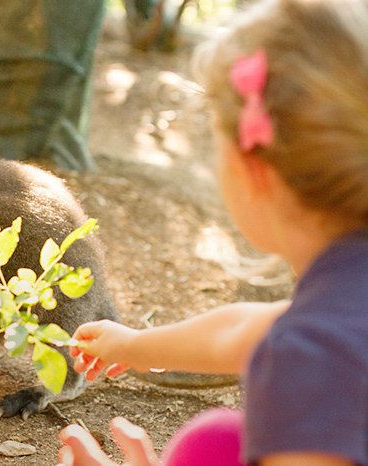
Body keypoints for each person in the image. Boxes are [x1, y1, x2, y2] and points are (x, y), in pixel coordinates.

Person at [57, 0, 368, 465]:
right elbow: (248, 329)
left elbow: (283, 339)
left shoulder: (308, 359)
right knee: (217, 441)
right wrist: (133, 346)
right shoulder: (338, 306)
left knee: (208, 445)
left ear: (253, 169)